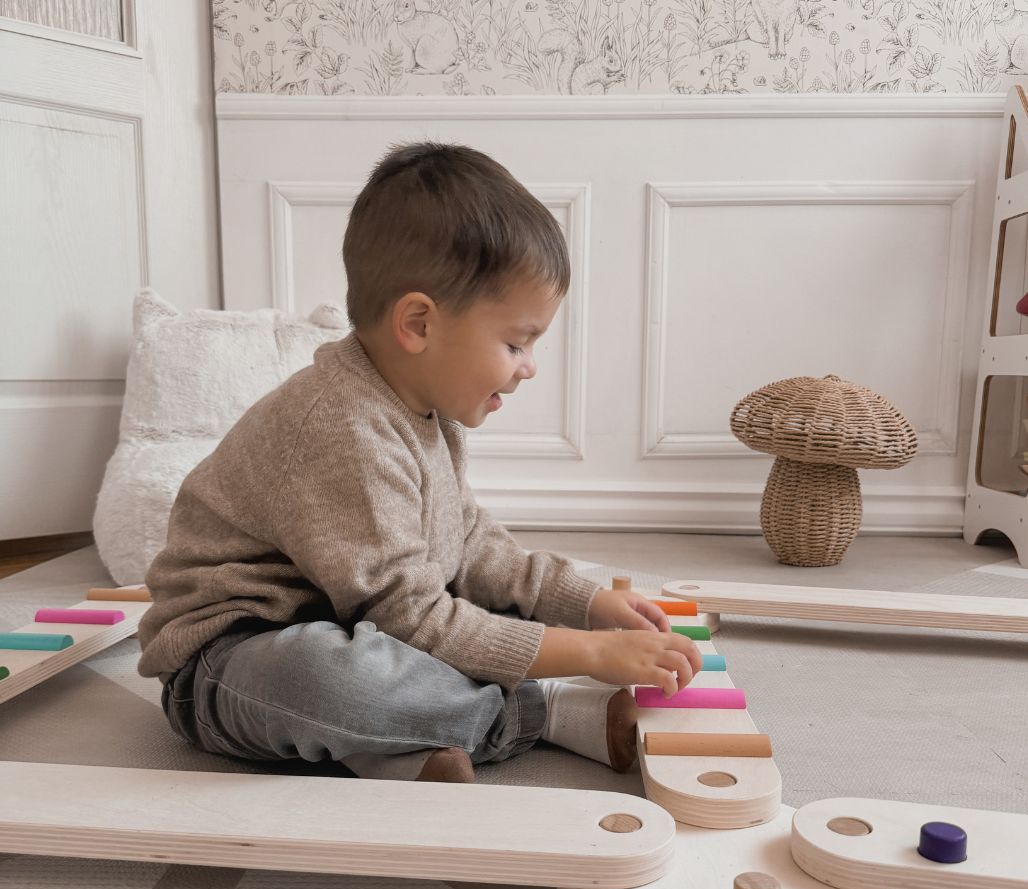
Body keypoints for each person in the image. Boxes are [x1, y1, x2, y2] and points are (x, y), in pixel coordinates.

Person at [136, 142, 701, 784]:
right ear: (418, 324)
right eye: (515, 342)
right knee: (333, 679)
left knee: (484, 611)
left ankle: (399, 746)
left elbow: (469, 543)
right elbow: (409, 617)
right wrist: (591, 654)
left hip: (359, 618)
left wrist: (585, 604)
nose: (529, 366)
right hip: (231, 661)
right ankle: (534, 715)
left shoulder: (425, 409)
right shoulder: (340, 424)